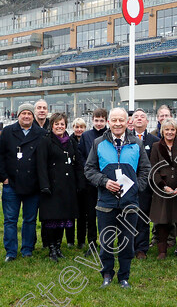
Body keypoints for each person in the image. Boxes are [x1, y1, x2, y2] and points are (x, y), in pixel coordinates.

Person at [84, 107, 151, 289]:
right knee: (106, 243)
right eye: (114, 120)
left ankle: (124, 276)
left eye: (121, 120)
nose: (118, 123)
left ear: (126, 122)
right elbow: (89, 169)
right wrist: (104, 182)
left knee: (127, 243)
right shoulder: (98, 143)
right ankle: (107, 274)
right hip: (106, 203)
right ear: (109, 122)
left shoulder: (136, 144)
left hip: (130, 204)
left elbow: (146, 170)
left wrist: (136, 187)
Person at [0, 103, 46, 262]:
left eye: (29, 114)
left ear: (33, 116)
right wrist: (4, 177)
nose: (26, 116)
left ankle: (27, 249)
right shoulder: (8, 132)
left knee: (30, 219)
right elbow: (0, 156)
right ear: (18, 115)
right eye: (23, 113)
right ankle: (10, 251)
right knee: (10, 220)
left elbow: (44, 159)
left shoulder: (42, 133)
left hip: (33, 184)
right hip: (12, 184)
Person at [38, 113, 85, 262]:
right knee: (52, 219)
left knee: (63, 219)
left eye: (62, 124)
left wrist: (80, 183)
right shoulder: (45, 141)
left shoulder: (71, 142)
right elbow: (41, 166)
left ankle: (58, 247)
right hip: (51, 187)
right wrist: (44, 185)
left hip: (67, 187)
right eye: (57, 124)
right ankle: (51, 248)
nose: (59, 127)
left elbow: (77, 163)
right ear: (52, 125)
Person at [148, 118, 177, 260]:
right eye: (166, 129)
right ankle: (162, 251)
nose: (169, 132)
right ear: (162, 131)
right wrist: (163, 186)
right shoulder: (156, 146)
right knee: (162, 221)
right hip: (162, 189)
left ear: (176, 131)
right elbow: (153, 169)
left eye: (172, 129)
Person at [129, 108, 160, 259]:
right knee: (128, 216)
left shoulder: (154, 141)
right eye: (136, 117)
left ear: (147, 122)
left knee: (142, 217)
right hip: (128, 184)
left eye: (143, 117)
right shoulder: (126, 140)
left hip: (146, 186)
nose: (139, 119)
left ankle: (141, 248)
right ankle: (128, 246)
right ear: (132, 121)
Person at [78, 108, 109, 254]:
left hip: (107, 182)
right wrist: (90, 172)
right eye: (96, 120)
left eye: (101, 120)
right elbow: (81, 156)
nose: (99, 123)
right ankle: (91, 243)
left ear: (106, 121)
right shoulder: (86, 136)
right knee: (90, 216)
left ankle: (106, 243)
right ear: (92, 120)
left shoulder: (110, 135)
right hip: (90, 182)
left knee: (106, 216)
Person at [70, 117, 87, 249]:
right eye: (77, 127)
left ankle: (81, 240)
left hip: (85, 182)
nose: (79, 129)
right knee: (71, 213)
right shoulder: (69, 141)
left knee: (82, 213)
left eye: (81, 127)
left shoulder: (88, 141)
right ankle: (70, 240)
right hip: (72, 181)